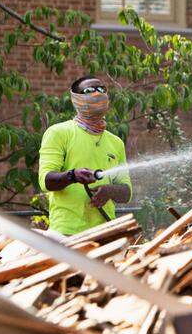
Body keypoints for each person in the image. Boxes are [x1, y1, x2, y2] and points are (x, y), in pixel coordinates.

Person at [37, 76, 132, 236]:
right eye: (89, 90)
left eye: (102, 90)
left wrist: (109, 191)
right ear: (76, 99)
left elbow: (126, 192)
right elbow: (46, 181)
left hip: (105, 233)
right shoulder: (58, 133)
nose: (97, 94)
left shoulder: (116, 142)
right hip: (67, 233)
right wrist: (73, 176)